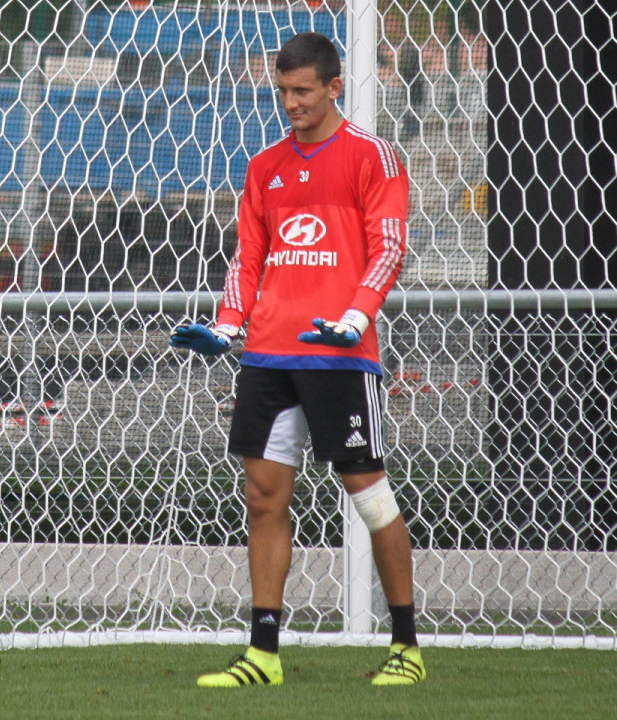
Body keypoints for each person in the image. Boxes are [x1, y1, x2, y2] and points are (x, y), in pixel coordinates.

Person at [170, 31, 423, 688]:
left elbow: (388, 249)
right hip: (269, 354)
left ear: (334, 87)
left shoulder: (375, 158)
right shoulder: (265, 167)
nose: (290, 104)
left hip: (340, 355)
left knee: (368, 498)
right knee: (261, 498)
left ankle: (407, 646)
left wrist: (355, 315)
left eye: (302, 91)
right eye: (282, 91)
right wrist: (227, 327)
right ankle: (263, 654)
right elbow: (247, 259)